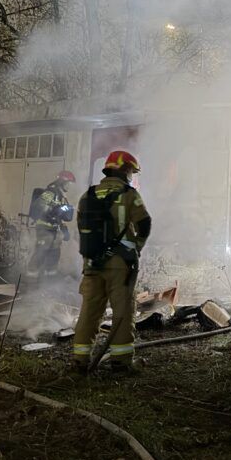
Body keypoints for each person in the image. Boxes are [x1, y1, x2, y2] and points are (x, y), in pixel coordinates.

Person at [72, 150, 151, 375]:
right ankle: (121, 363)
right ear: (125, 170)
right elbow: (145, 224)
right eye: (131, 171)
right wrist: (137, 247)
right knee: (122, 311)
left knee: (89, 311)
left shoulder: (87, 195)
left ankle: (79, 361)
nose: (131, 176)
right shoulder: (129, 194)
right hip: (120, 266)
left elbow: (81, 229)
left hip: (92, 264)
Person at [25, 170, 75, 279]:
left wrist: (63, 228)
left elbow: (60, 215)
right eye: (68, 183)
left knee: (54, 255)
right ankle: (30, 280)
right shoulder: (50, 192)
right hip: (44, 229)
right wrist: (53, 210)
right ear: (62, 182)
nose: (69, 186)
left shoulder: (62, 196)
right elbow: (40, 207)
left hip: (54, 230)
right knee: (40, 253)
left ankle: (50, 281)